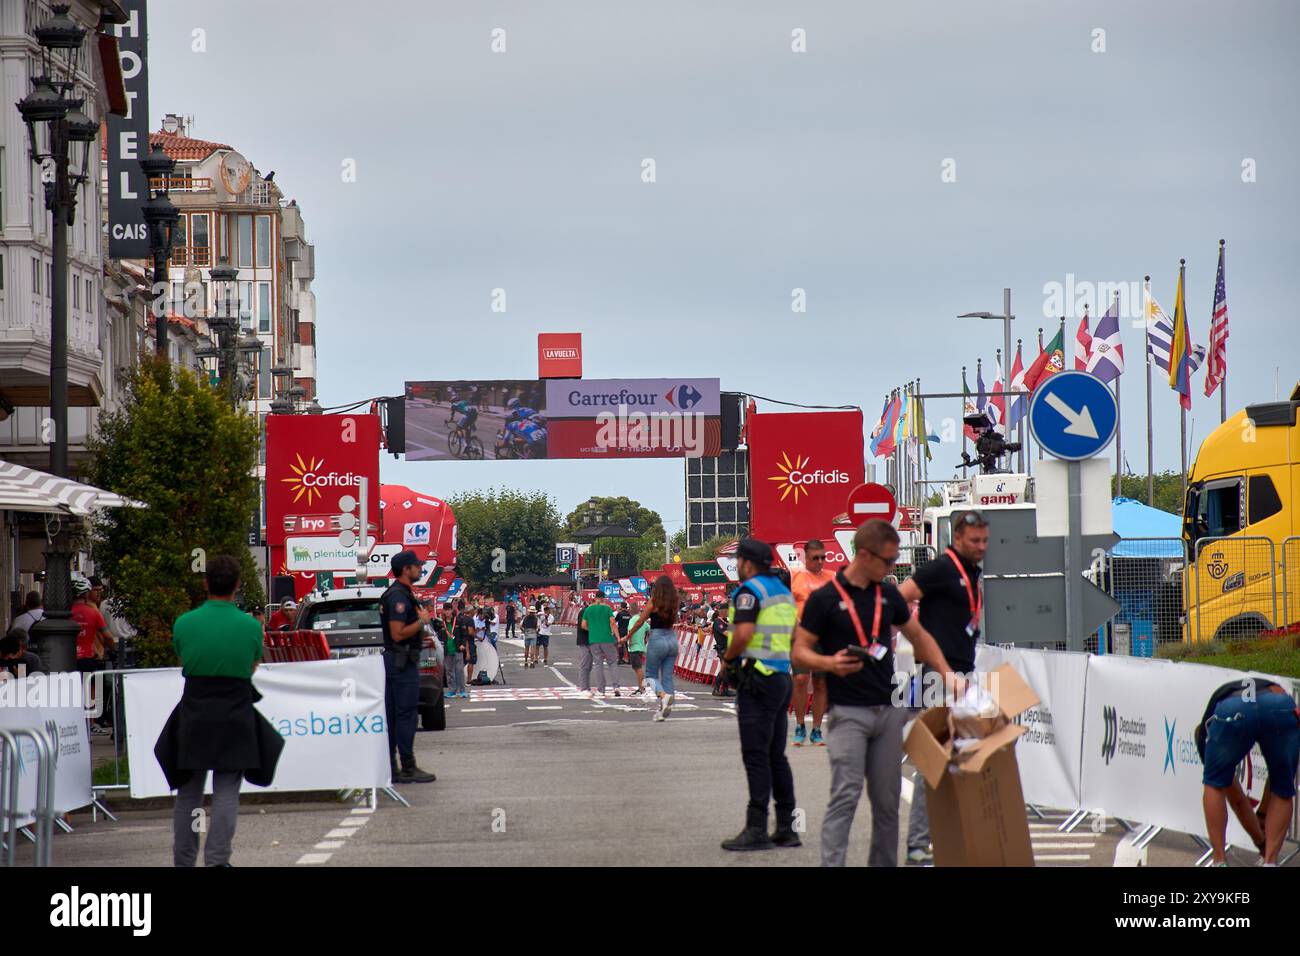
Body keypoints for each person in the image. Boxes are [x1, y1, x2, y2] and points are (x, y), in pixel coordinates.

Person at [795, 519, 959, 867]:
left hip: (887, 712)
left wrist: (947, 674)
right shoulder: (824, 599)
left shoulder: (887, 596)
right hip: (848, 714)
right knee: (846, 795)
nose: (890, 569)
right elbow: (799, 652)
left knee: (886, 802)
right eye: (887, 562)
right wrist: (828, 663)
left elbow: (919, 636)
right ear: (865, 555)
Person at [157, 554, 283, 867]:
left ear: (205, 583)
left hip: (195, 712)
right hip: (235, 711)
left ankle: (184, 860)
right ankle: (217, 859)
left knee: (189, 792)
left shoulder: (185, 623)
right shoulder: (250, 627)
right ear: (238, 585)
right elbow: (252, 665)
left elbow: (183, 658)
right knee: (227, 790)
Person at [896, 508, 988, 865]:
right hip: (940, 677)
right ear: (958, 538)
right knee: (934, 759)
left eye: (985, 541)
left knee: (957, 759)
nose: (981, 547)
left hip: (960, 677)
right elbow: (897, 598)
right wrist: (919, 641)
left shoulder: (969, 572)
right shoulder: (941, 569)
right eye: (974, 541)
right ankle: (918, 846)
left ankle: (944, 840)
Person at [718, 539, 798, 850]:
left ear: (748, 563)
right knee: (776, 755)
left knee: (755, 755)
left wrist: (727, 660)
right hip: (781, 676)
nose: (737, 566)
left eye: (738, 561)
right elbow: (792, 634)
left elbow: (745, 633)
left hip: (758, 678)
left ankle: (756, 829)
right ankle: (787, 828)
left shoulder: (750, 592)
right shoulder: (783, 593)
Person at [1198, 676, 1300, 866]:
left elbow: (1237, 800)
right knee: (1283, 787)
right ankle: (1270, 862)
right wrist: (1262, 843)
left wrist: (1259, 835)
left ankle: (1219, 860)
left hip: (1234, 709)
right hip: (1278, 703)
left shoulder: (1207, 738)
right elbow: (1271, 784)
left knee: (1213, 785)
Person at [378, 551, 437, 784]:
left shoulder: (399, 594)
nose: (420, 569)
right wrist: (421, 622)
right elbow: (397, 633)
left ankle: (392, 767)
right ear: (406, 569)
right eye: (416, 566)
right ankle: (408, 766)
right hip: (401, 662)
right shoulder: (399, 597)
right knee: (405, 715)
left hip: (397, 661)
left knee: (394, 716)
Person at [790, 539, 835, 747]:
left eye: (823, 557)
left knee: (821, 682)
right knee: (800, 678)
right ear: (805, 558)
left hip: (825, 636)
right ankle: (800, 724)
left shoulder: (832, 578)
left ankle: (817, 729)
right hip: (801, 635)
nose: (820, 562)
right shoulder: (795, 576)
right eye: (815, 558)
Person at [628, 576, 680, 718]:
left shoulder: (654, 602)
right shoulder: (674, 602)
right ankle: (664, 709)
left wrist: (628, 636)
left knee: (651, 675)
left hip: (657, 638)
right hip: (672, 638)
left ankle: (663, 697)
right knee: (667, 676)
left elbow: (640, 621)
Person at [71, 577, 115, 735]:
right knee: (91, 690)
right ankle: (91, 723)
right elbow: (108, 636)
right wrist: (113, 649)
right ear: (85, 594)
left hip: (68, 658)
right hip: (87, 657)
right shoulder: (93, 612)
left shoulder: (65, 613)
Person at [579, 595, 621, 697]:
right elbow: (612, 622)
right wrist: (618, 637)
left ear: (595, 598)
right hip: (607, 639)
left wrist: (592, 630)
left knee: (598, 664)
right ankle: (616, 686)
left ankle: (601, 690)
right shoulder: (607, 608)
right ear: (604, 598)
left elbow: (583, 625)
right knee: (612, 662)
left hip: (594, 640)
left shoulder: (589, 609)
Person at [452, 600, 477, 695]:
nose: (474, 612)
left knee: (461, 663)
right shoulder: (470, 620)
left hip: (461, 642)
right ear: (470, 612)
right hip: (469, 643)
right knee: (471, 661)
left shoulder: (460, 618)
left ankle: (457, 679)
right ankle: (469, 680)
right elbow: (470, 632)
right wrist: (477, 635)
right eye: (474, 611)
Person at [626, 615, 649, 695]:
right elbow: (649, 629)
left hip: (634, 647)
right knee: (637, 668)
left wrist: (630, 640)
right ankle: (641, 687)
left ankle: (641, 688)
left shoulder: (633, 620)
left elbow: (630, 629)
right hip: (640, 646)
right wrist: (646, 638)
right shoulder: (643, 620)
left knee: (638, 668)